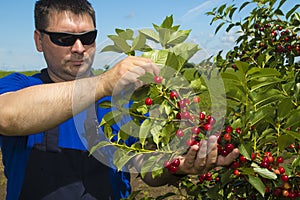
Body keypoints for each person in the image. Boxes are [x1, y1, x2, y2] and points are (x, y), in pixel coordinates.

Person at [0, 0, 239, 199]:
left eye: (89, 37)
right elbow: (6, 115)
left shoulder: (125, 102)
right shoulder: (21, 86)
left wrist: (176, 167)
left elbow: (146, 170)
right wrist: (103, 83)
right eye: (63, 38)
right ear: (39, 40)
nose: (79, 48)